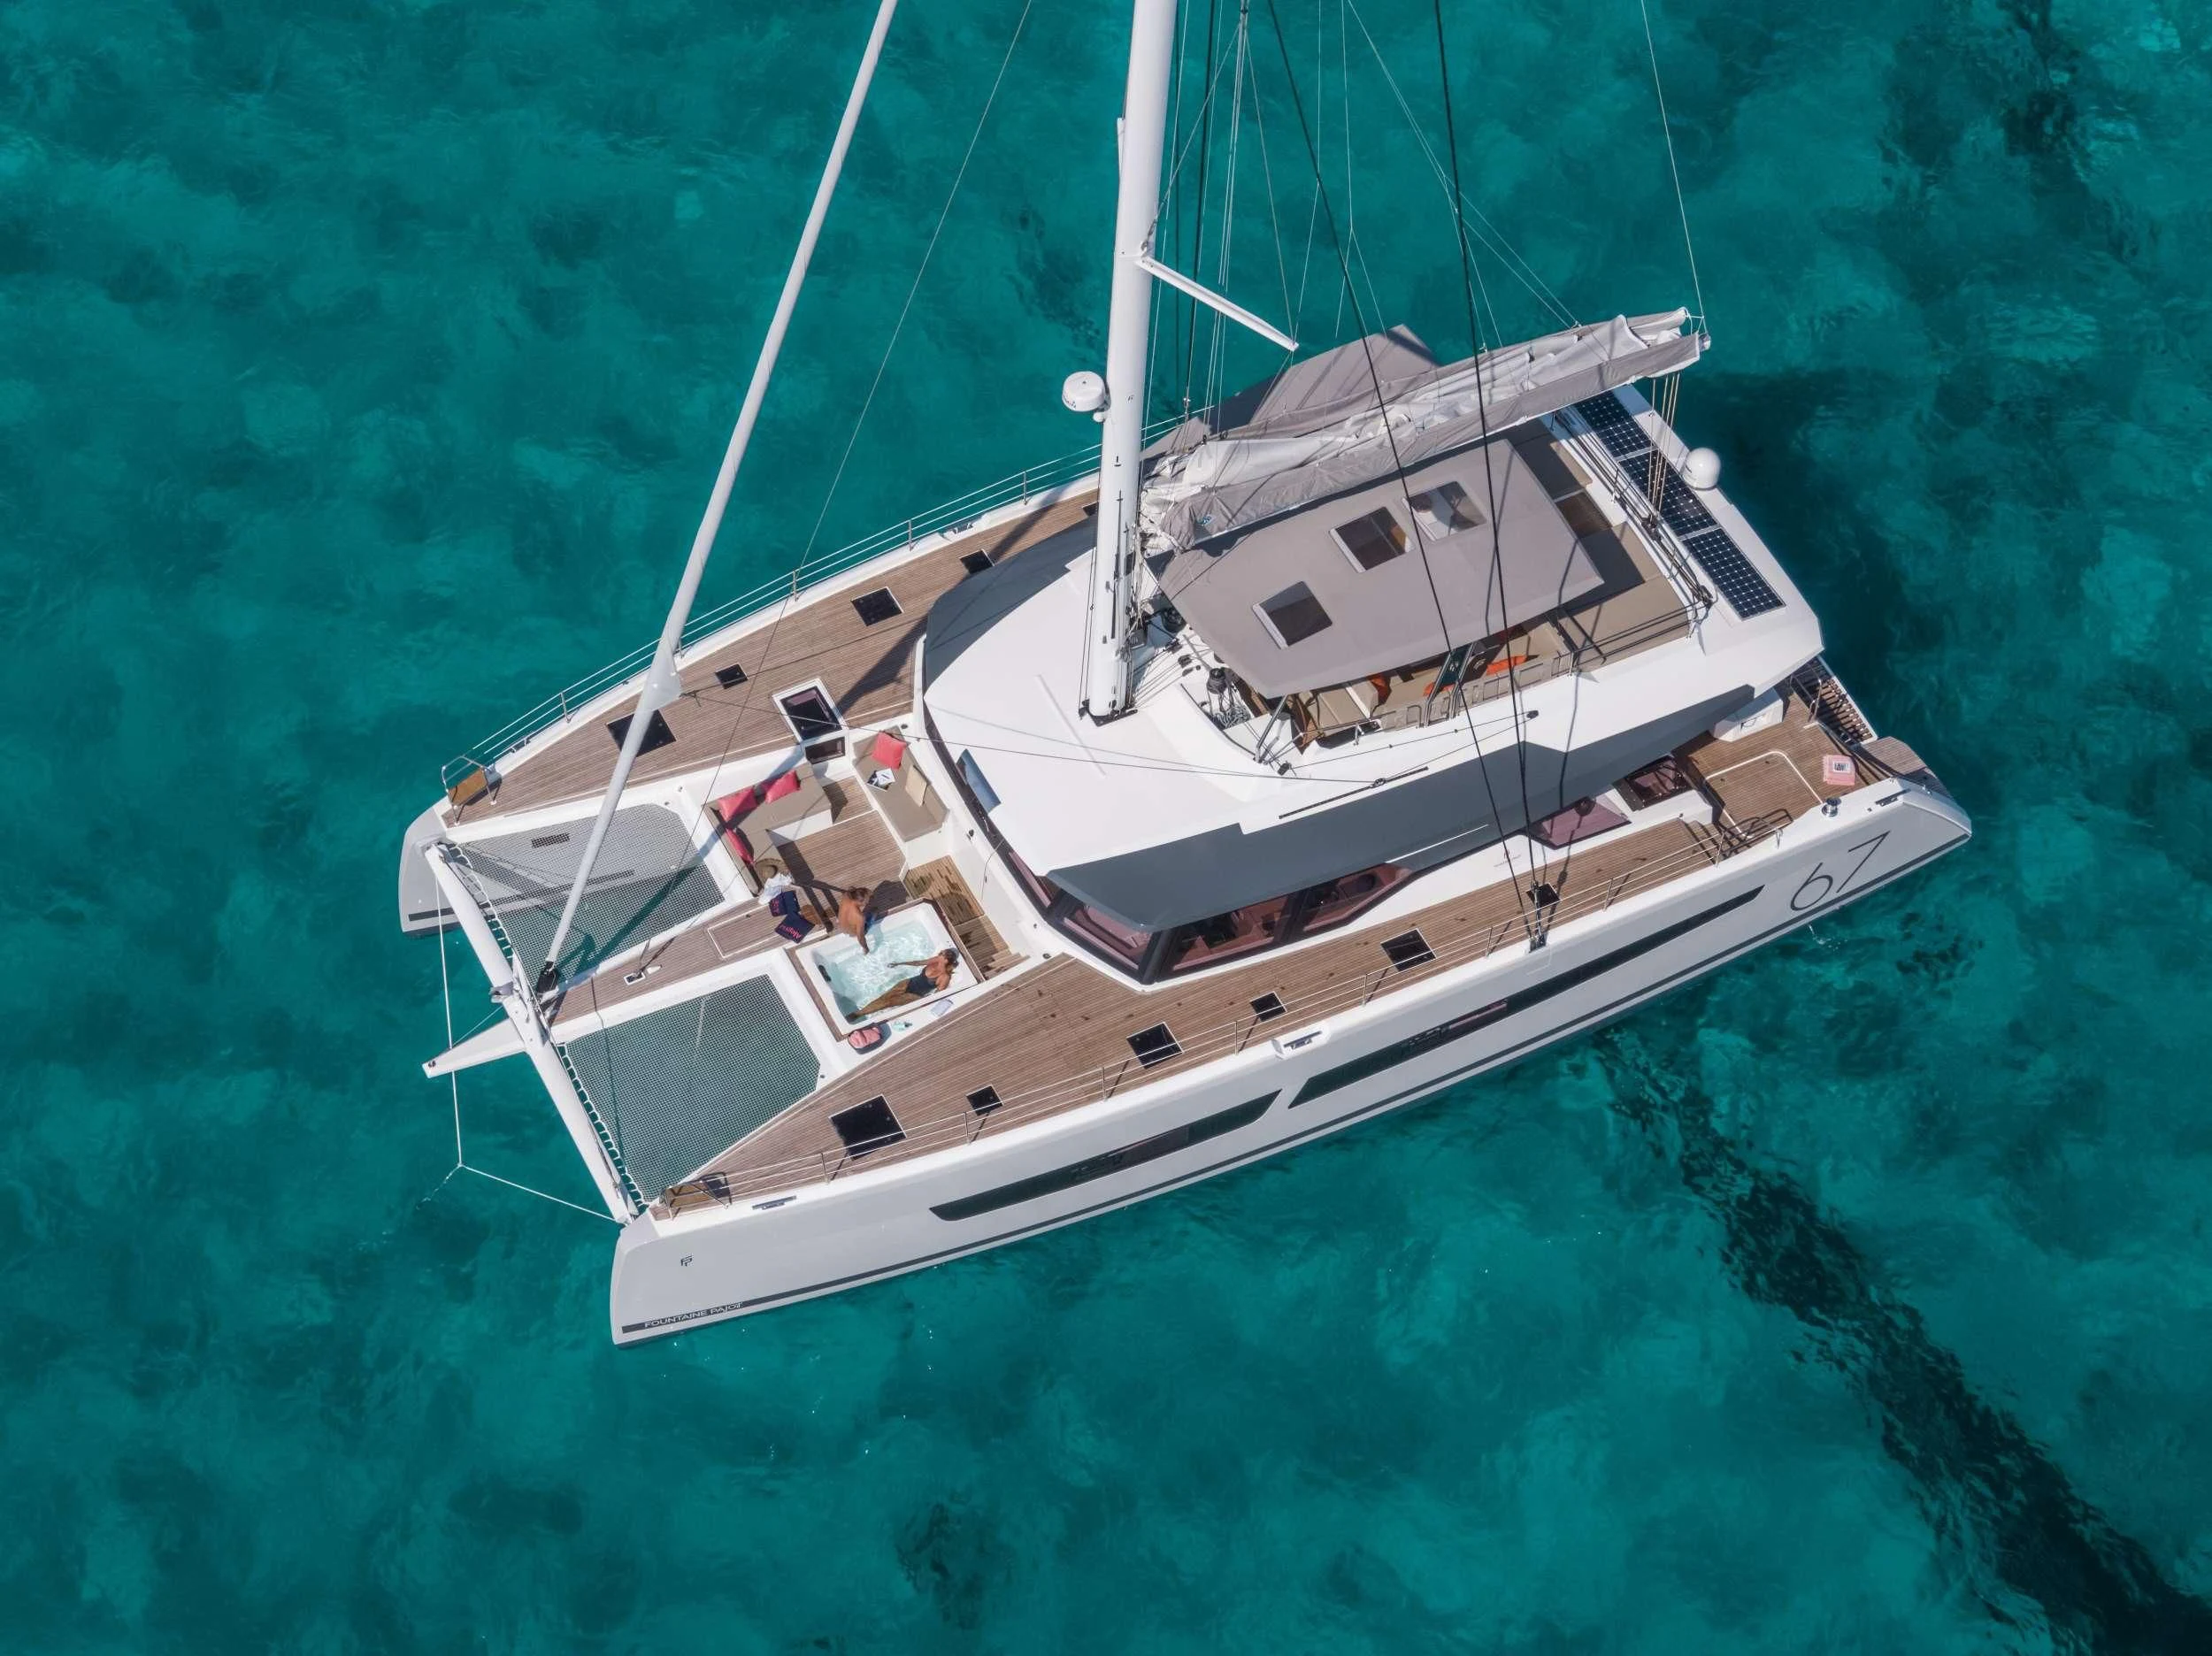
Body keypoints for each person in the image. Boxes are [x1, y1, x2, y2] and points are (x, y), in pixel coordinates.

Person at [855, 948, 957, 1017]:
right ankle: (859, 1013)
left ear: (946, 961)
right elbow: (918, 963)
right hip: (908, 982)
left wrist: (923, 1004)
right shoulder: (936, 960)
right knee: (883, 998)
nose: (939, 955)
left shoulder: (945, 977)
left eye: (942, 955)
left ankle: (857, 1015)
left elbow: (937, 995)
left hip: (914, 995)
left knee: (887, 1003)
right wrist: (899, 963)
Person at [833, 886, 872, 951]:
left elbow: (852, 889)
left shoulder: (847, 895)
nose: (867, 902)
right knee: (873, 913)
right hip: (852, 933)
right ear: (860, 901)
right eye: (866, 901)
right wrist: (865, 948)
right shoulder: (860, 917)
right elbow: (860, 937)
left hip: (840, 924)